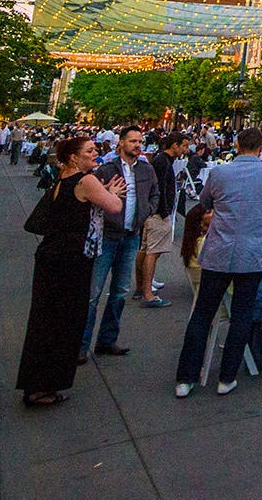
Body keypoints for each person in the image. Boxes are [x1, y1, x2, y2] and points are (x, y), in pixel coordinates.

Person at [174, 128, 262, 397]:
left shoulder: (219, 173)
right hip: (254, 252)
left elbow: (204, 203)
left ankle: (186, 377)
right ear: (261, 147)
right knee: (242, 314)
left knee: (203, 313)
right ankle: (226, 377)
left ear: (237, 146)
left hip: (219, 250)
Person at [15, 136, 126, 407]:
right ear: (74, 157)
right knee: (63, 321)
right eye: (89, 150)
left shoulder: (62, 179)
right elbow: (114, 207)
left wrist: (105, 190)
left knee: (46, 320)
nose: (96, 152)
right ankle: (44, 386)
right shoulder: (85, 180)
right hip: (70, 258)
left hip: (53, 255)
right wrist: (112, 193)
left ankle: (37, 383)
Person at [81, 125, 158, 363]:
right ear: (121, 143)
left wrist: (146, 212)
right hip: (108, 234)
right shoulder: (107, 169)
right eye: (132, 141)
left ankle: (107, 340)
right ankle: (81, 345)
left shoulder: (146, 169)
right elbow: (91, 196)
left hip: (131, 234)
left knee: (119, 292)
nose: (137, 145)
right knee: (93, 293)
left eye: (139, 141)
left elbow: (155, 194)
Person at [138, 131, 187, 308]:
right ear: (174, 145)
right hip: (158, 213)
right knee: (153, 251)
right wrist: (163, 209)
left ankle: (142, 286)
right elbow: (158, 187)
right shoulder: (162, 161)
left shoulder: (163, 160)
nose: (185, 149)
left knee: (147, 250)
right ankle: (147, 293)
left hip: (157, 211)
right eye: (183, 145)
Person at [178, 203, 213, 290]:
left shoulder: (192, 240)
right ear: (200, 221)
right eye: (209, 212)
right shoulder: (204, 241)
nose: (214, 213)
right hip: (204, 276)